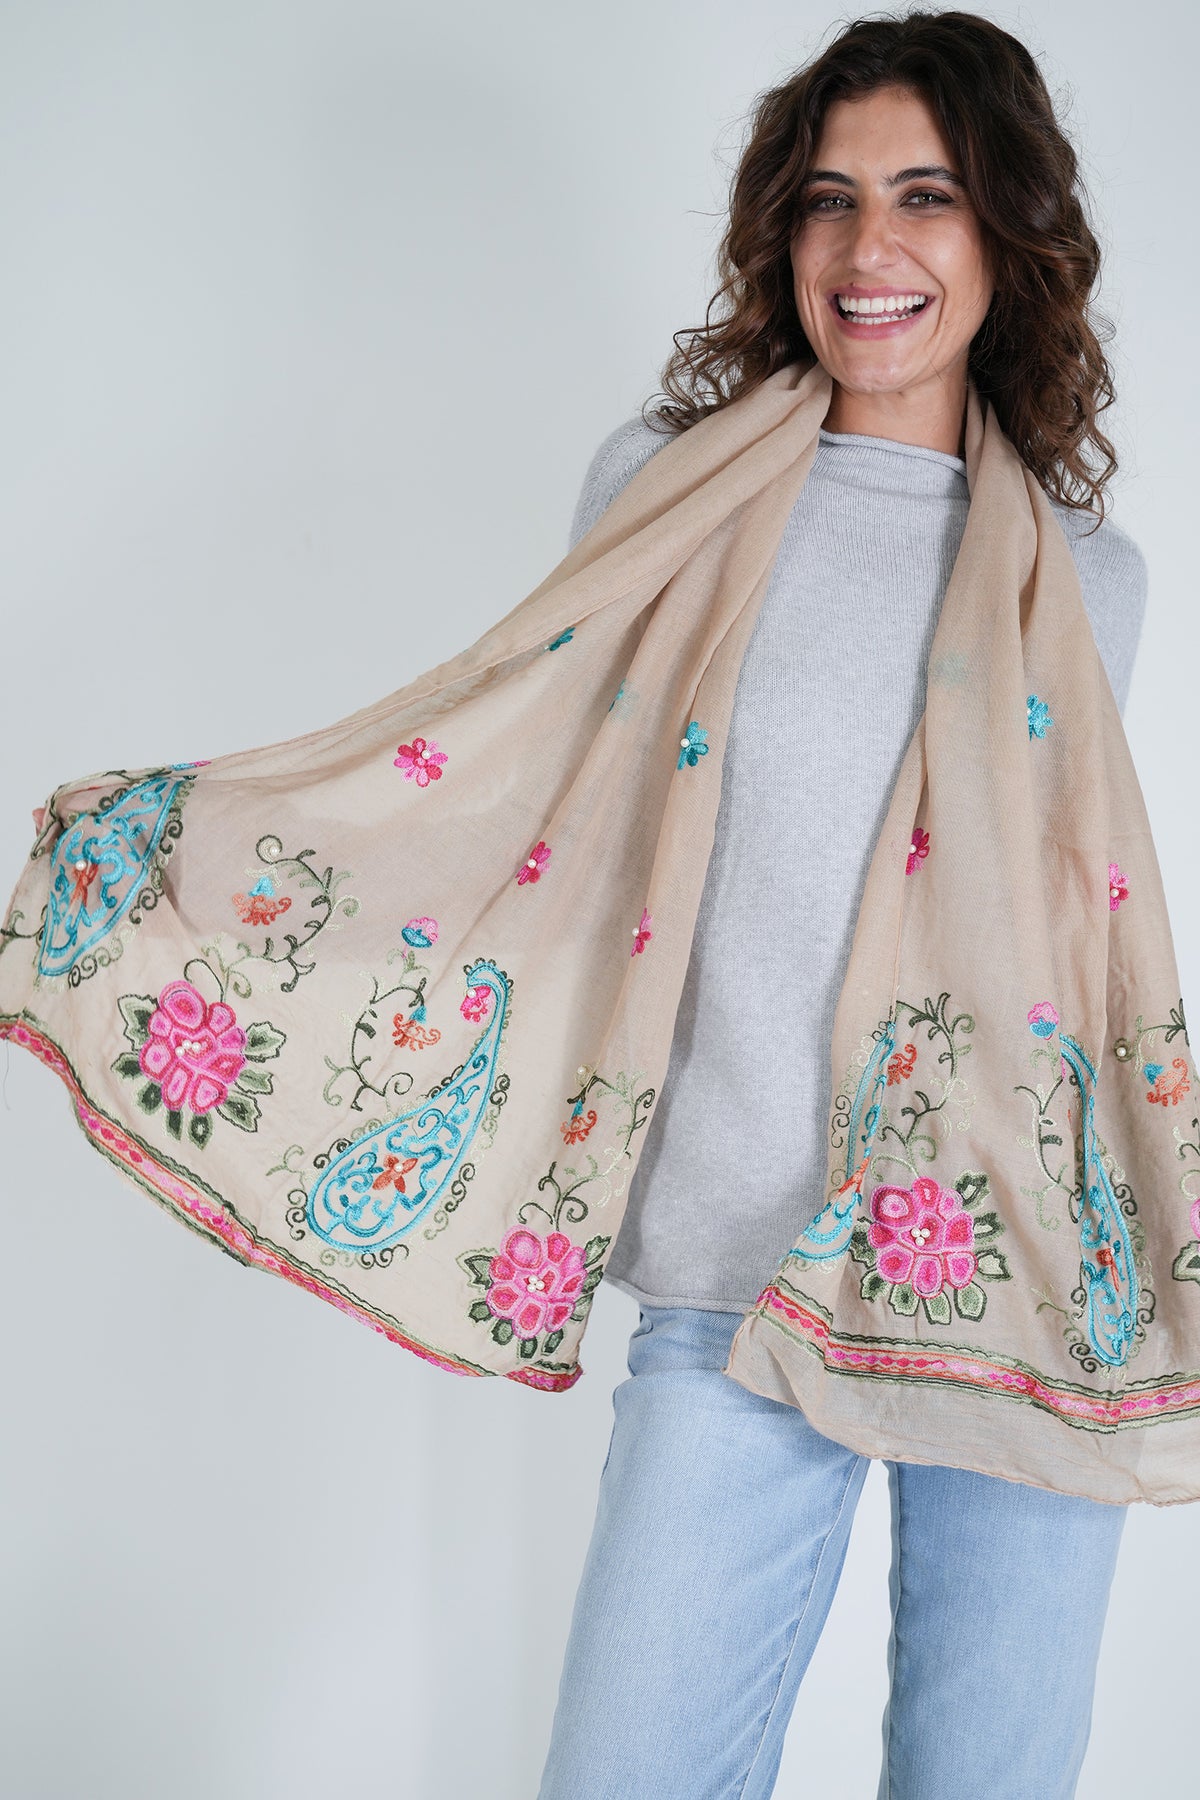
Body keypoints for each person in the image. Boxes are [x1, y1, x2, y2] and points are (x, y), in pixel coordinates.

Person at [536, 12, 1145, 1798]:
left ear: (1005, 238)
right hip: (736, 1286)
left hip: (1021, 1279)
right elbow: (528, 807)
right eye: (829, 201)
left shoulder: (1091, 579)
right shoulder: (669, 497)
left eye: (928, 198)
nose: (869, 251)